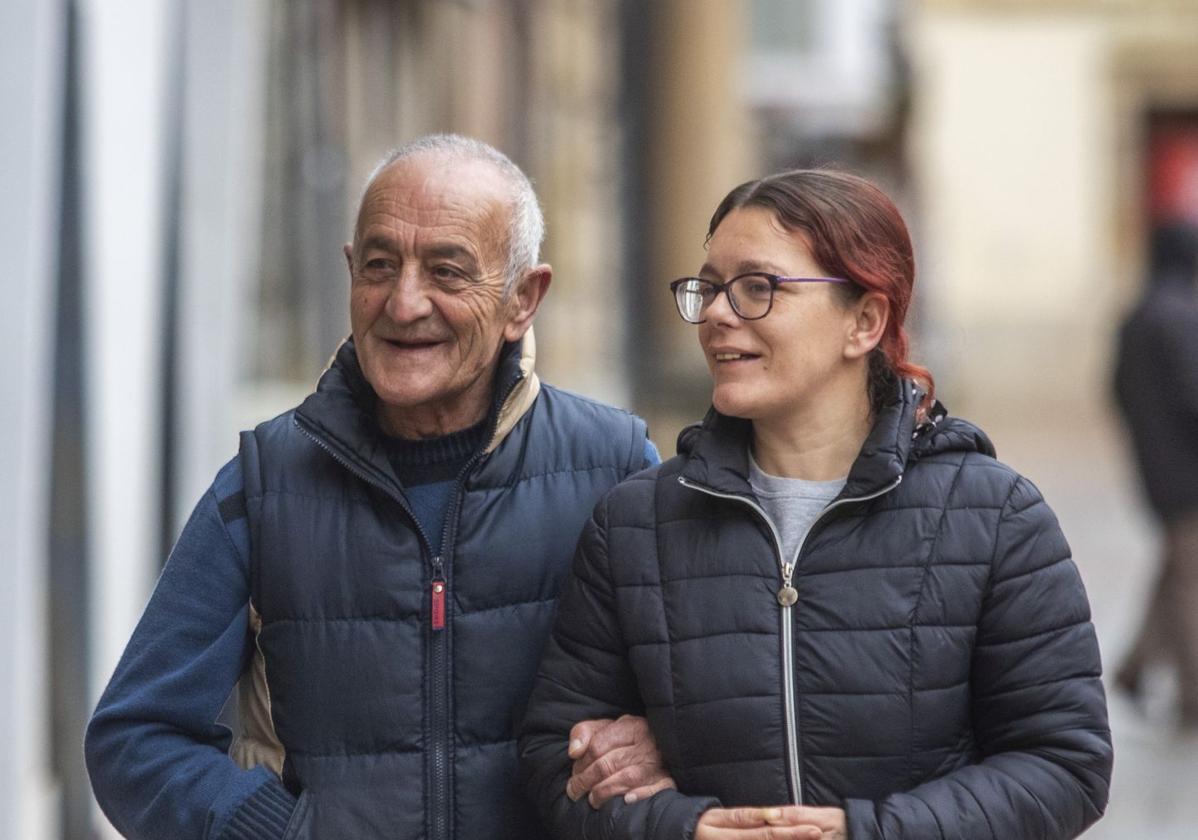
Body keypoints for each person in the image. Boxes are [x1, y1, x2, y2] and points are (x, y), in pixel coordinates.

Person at [85, 134, 673, 840]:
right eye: (379, 265)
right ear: (349, 273)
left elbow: (733, 690)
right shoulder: (265, 484)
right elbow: (135, 738)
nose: (403, 302)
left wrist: (662, 738)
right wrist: (277, 833)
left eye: (448, 272)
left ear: (524, 298)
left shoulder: (614, 467)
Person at [520, 169, 1113, 839]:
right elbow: (552, 760)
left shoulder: (993, 516)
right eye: (710, 287)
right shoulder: (637, 524)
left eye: (756, 288)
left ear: (864, 321)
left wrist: (864, 833)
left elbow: (1065, 764)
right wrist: (682, 829)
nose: (717, 313)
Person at [1112, 220, 1198, 727]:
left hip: (1156, 470)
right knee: (1190, 579)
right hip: (1189, 472)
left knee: (1176, 567)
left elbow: (1116, 390)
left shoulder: (1137, 314)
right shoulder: (1180, 314)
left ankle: (1134, 667)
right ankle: (1192, 690)